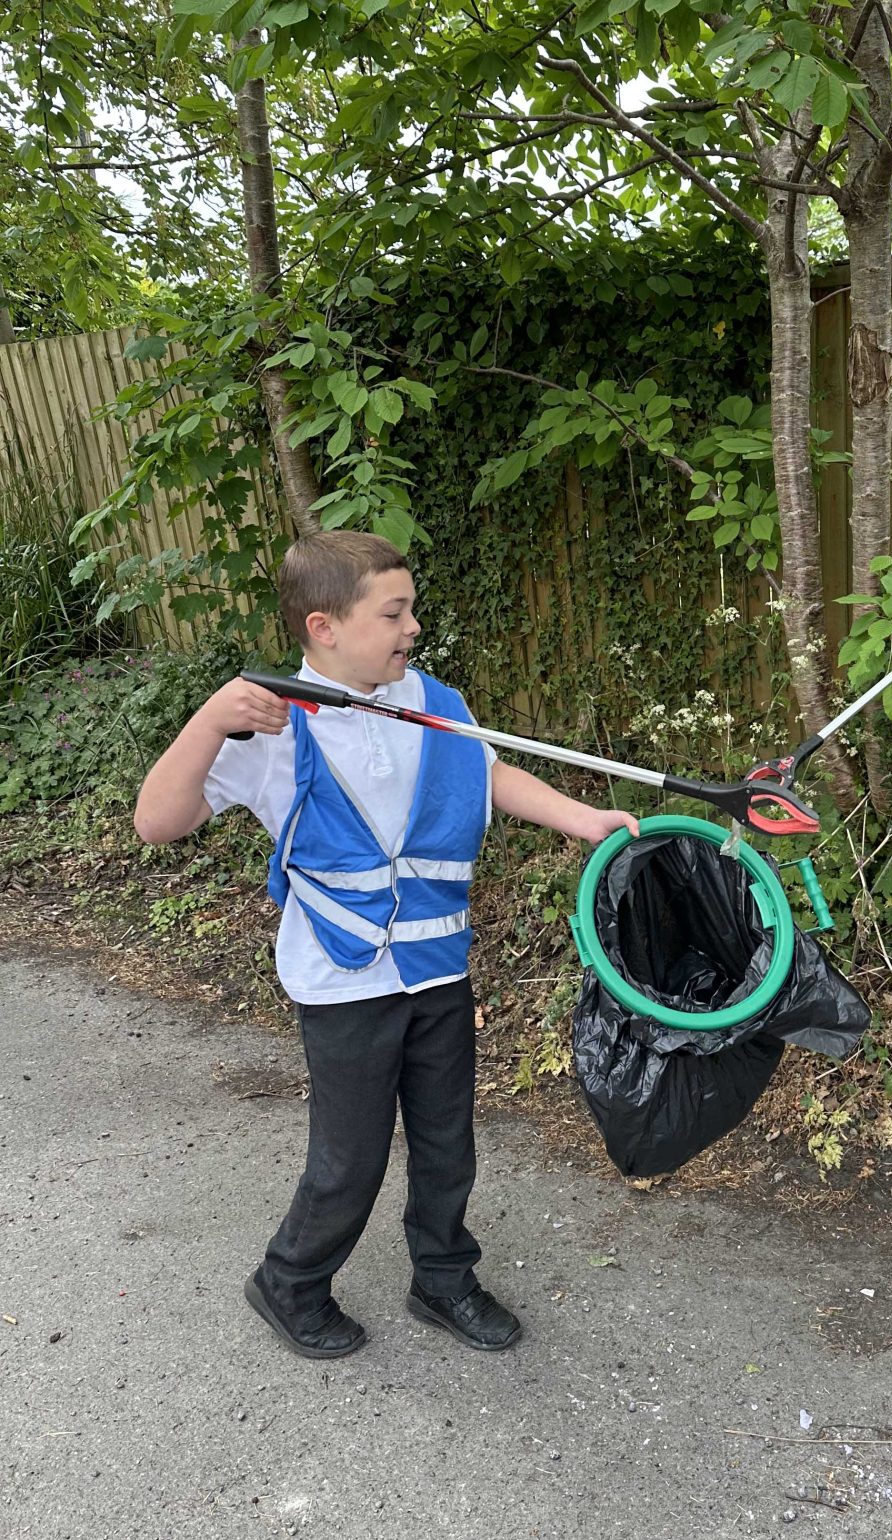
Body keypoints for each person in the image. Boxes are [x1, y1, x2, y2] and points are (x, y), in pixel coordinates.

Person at [134, 531, 638, 1360]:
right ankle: (290, 1282)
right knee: (351, 1157)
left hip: (437, 968)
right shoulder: (272, 725)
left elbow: (488, 776)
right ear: (324, 627)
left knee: (447, 1144)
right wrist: (211, 720)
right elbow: (157, 822)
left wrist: (585, 820)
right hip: (343, 982)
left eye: (411, 611)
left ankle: (443, 1279)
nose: (412, 628)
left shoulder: (432, 700)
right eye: (394, 613)